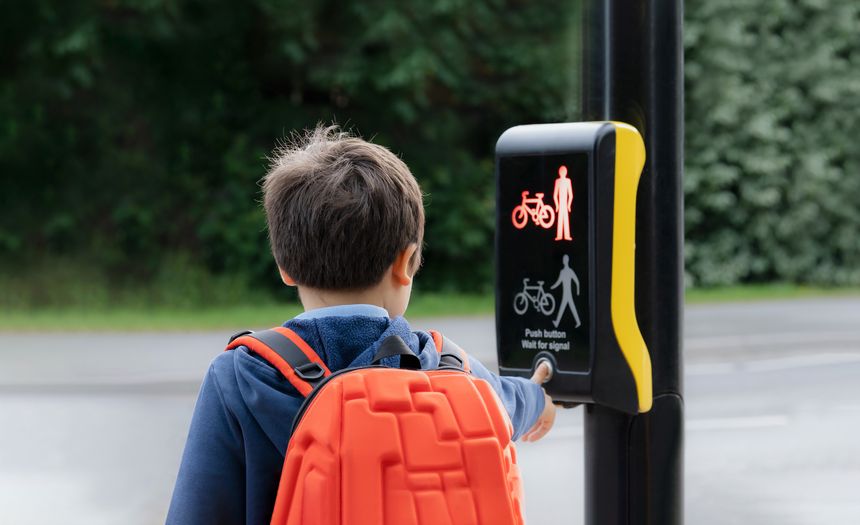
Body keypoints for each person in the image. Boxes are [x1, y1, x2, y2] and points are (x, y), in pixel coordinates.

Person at [166, 125, 556, 524]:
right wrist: (539, 398)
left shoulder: (241, 377)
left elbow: (198, 510)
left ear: (284, 267)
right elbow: (512, 400)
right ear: (406, 263)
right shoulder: (450, 366)